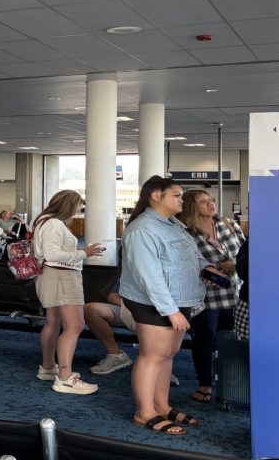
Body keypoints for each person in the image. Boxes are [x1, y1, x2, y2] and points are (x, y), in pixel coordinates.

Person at [121, 176, 218, 436]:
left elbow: (191, 256)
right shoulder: (142, 229)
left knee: (168, 354)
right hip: (154, 302)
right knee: (152, 355)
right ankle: (144, 412)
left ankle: (161, 405)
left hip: (179, 298)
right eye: (177, 195)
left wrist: (206, 269)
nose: (182, 200)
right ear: (156, 195)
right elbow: (148, 275)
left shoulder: (173, 224)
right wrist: (170, 311)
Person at [32, 190, 102, 395]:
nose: (78, 211)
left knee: (53, 323)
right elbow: (53, 254)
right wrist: (83, 253)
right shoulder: (54, 223)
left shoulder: (43, 220)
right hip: (62, 276)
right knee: (75, 325)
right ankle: (65, 377)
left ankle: (48, 367)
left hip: (49, 275)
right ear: (68, 206)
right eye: (78, 207)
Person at [178, 190, 245, 405]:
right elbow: (183, 263)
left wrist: (239, 266)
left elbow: (246, 251)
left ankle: (231, 384)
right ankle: (204, 383)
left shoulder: (228, 225)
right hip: (205, 296)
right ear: (191, 206)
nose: (211, 204)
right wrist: (217, 267)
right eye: (204, 202)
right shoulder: (185, 233)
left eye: (211, 200)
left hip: (235, 292)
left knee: (231, 340)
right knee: (204, 339)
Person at [83, 283, 134, 375]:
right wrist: (134, 308)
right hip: (131, 309)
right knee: (90, 309)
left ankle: (163, 367)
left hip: (160, 312)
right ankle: (116, 355)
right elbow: (112, 296)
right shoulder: (133, 270)